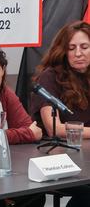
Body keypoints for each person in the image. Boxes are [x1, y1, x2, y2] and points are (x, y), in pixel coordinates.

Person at [30, 21, 90, 207]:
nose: (78, 53)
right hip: (61, 160)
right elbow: (54, 127)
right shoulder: (50, 77)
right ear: (63, 51)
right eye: (72, 48)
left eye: (84, 47)